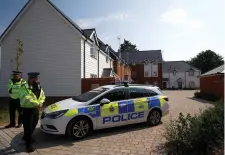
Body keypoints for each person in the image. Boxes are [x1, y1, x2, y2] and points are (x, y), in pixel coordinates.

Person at [19, 72, 45, 152]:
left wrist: (41, 103)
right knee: (28, 127)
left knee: (34, 123)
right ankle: (28, 146)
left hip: (35, 109)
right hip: (27, 109)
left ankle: (26, 136)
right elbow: (27, 98)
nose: (35, 80)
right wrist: (37, 104)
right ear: (29, 79)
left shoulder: (38, 86)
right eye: (33, 78)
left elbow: (42, 95)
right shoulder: (24, 87)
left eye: (36, 78)